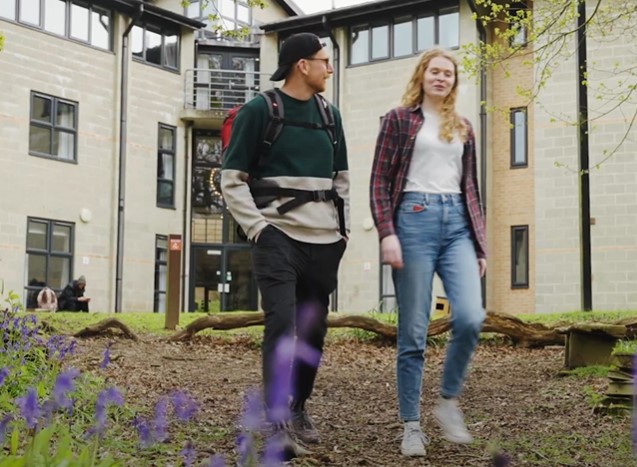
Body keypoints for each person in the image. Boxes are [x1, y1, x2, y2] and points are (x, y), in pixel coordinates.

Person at [221, 32, 349, 456]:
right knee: (281, 323)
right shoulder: (259, 111)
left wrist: (342, 233)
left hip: (324, 241)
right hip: (276, 237)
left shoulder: (331, 116)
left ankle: (298, 407)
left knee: (313, 331)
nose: (330, 68)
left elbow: (341, 182)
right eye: (324, 61)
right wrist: (259, 228)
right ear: (302, 65)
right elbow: (232, 179)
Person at [369, 48, 487, 458]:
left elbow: (471, 188)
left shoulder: (463, 127)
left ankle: (448, 401)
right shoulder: (399, 120)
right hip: (413, 220)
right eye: (434, 71)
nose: (441, 78)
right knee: (414, 332)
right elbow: (379, 181)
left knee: (471, 316)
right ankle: (411, 426)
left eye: (448, 74)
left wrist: (479, 244)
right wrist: (387, 232)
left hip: (457, 226)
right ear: (422, 75)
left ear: (454, 81)